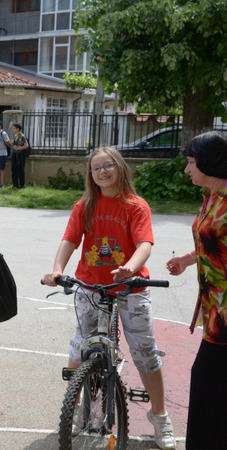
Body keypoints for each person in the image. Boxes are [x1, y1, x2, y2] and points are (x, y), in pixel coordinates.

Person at [41, 147, 175, 450]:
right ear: (90, 175)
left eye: (108, 165)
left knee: (144, 352)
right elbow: (70, 240)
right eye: (96, 168)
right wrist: (57, 270)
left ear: (120, 167)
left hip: (130, 287)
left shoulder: (135, 205)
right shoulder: (85, 205)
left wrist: (130, 267)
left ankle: (160, 416)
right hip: (91, 287)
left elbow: (144, 243)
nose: (102, 172)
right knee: (80, 347)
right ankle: (74, 406)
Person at [165, 131, 227, 450]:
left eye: (191, 162)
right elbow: (211, 241)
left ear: (209, 161)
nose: (187, 169)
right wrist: (187, 260)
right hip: (214, 308)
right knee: (212, 386)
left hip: (224, 313)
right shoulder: (211, 196)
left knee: (207, 382)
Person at [10, 123, 29, 188]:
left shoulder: (22, 136)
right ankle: (15, 185)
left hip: (20, 155)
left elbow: (26, 145)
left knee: (20, 170)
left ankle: (22, 185)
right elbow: (16, 144)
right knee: (14, 169)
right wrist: (13, 143)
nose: (13, 129)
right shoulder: (16, 136)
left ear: (18, 129)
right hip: (15, 154)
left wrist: (19, 148)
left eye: (14, 128)